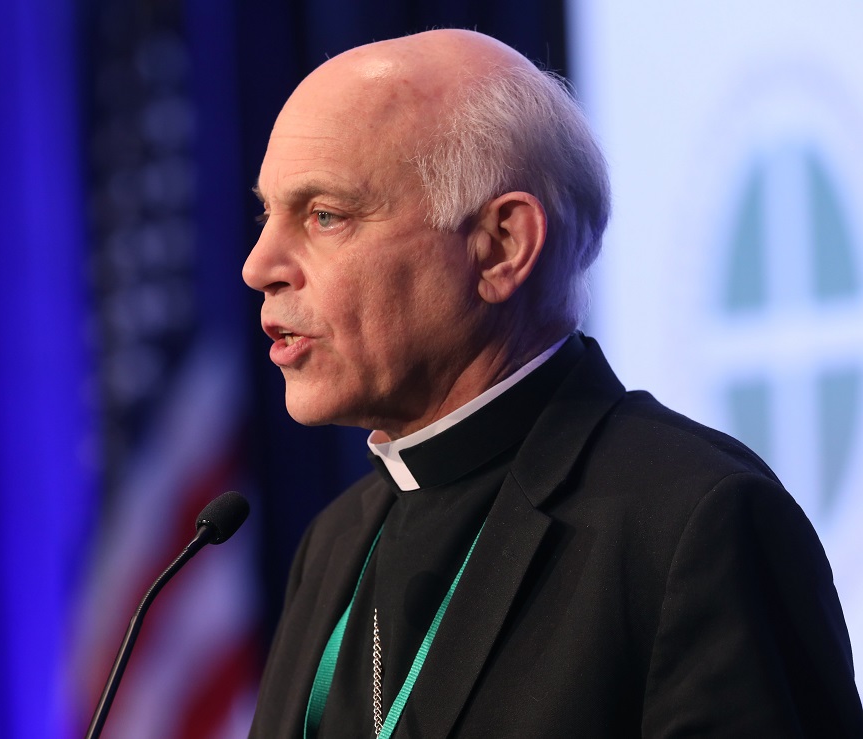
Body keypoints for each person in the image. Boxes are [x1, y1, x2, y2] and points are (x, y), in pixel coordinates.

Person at [242, 28, 863, 737]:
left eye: (325, 215)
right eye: (268, 214)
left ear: (502, 245)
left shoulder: (695, 524)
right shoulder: (332, 545)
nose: (259, 265)